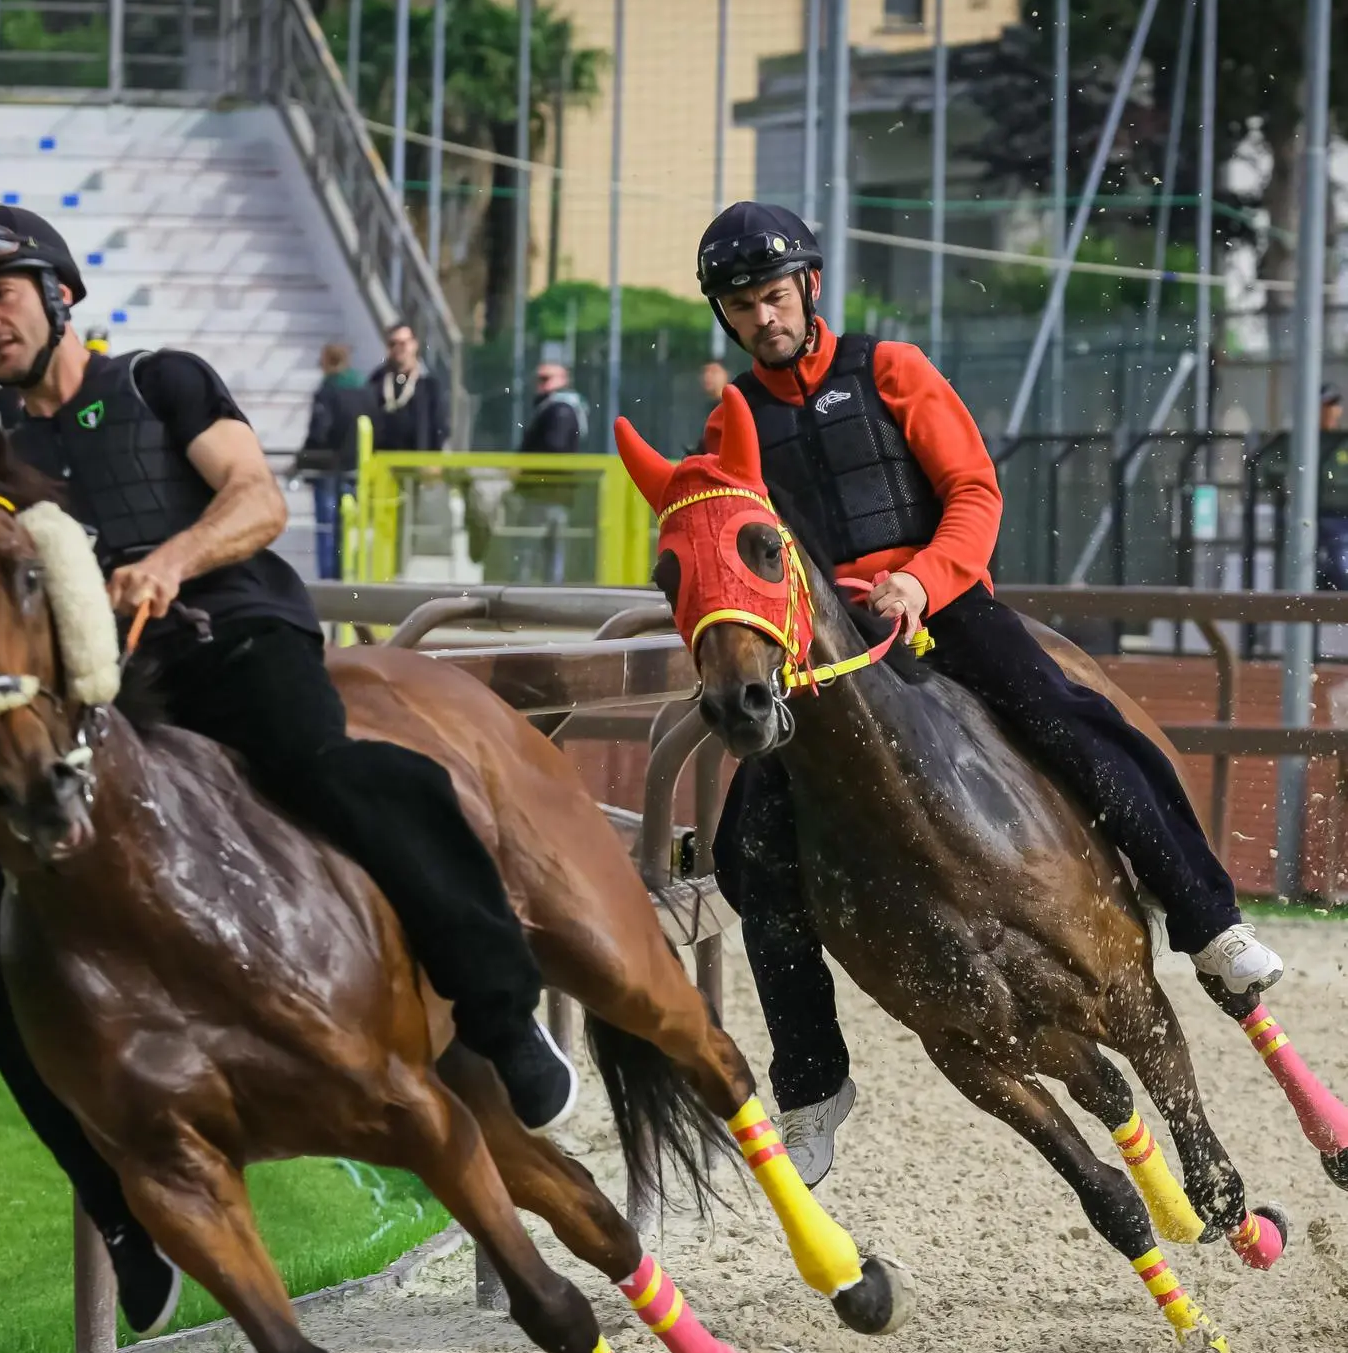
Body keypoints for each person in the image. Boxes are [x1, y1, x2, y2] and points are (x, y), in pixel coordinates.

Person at [0, 206, 578, 1335]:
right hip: (104, 703)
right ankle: (124, 1212)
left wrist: (168, 562)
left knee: (339, 771)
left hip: (232, 642)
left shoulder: (164, 380)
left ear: (57, 293)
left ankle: (504, 1018)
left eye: (2, 296)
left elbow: (258, 499)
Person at [696, 200, 1284, 1189]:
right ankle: (811, 1083)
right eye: (740, 306)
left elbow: (972, 491)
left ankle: (1207, 925)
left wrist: (919, 580)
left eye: (770, 296)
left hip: (941, 605)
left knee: (1072, 725)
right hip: (828, 655)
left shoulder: (890, 370)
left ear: (806, 286)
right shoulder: (732, 422)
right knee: (744, 852)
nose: (761, 319)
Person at [298, 341, 368, 579]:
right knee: (347, 528)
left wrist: (303, 462)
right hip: (355, 467)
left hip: (327, 469)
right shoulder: (362, 389)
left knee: (327, 529)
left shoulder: (327, 391)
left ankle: (329, 583)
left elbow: (319, 431)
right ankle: (346, 576)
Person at [515, 362, 589, 583]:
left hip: (544, 492)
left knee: (531, 551)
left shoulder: (559, 409)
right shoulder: (562, 407)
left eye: (547, 379)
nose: (541, 384)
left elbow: (554, 447)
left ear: (563, 379)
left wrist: (524, 468)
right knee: (551, 552)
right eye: (539, 379)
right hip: (554, 493)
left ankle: (525, 594)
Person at [366, 321, 448, 453]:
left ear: (414, 345)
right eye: (393, 344)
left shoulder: (428, 385)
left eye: (403, 343)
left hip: (417, 460)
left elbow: (440, 425)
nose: (398, 348)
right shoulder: (377, 381)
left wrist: (434, 458)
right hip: (382, 461)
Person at [1316, 382, 1348, 590]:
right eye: (1324, 405)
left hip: (1341, 517)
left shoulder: (1343, 441)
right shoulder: (1304, 441)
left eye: (1333, 405)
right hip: (1316, 514)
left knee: (1341, 563)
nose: (1329, 411)